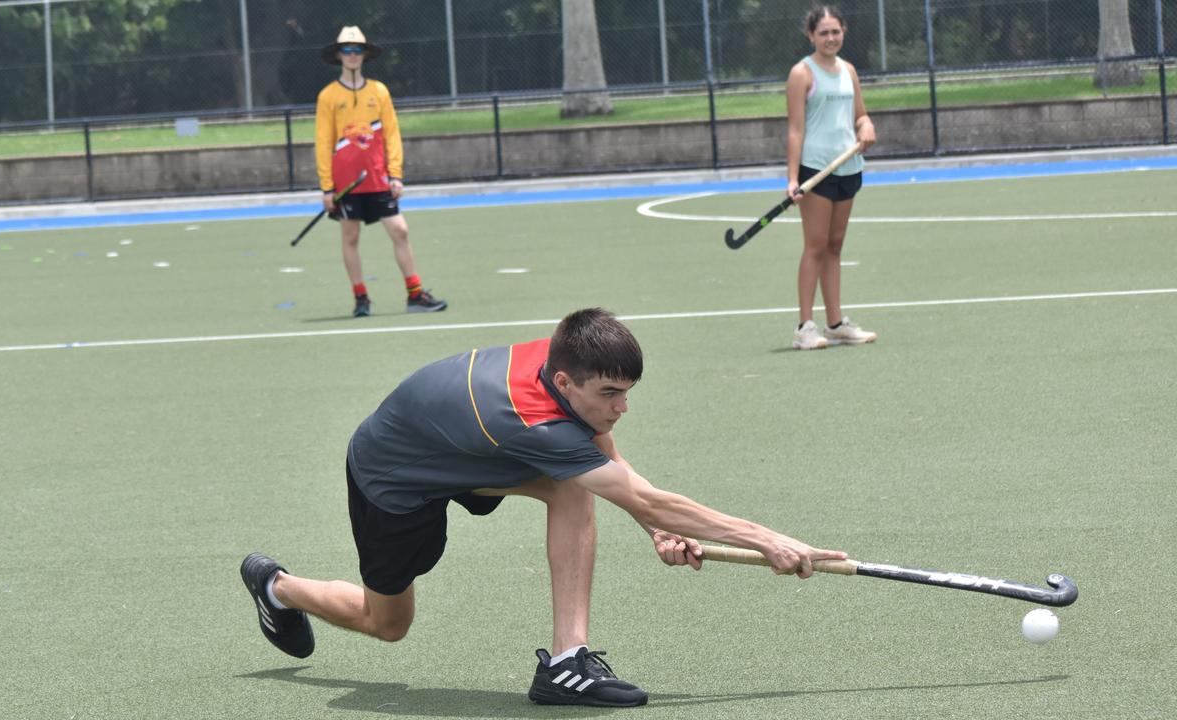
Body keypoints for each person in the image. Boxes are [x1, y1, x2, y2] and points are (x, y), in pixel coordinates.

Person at [240, 307, 847, 708]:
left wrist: (655, 530)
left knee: (572, 483)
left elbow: (601, 450)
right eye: (610, 394)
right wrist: (767, 539)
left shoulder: (562, 358)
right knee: (387, 623)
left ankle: (565, 664)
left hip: (465, 449)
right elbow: (638, 490)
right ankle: (280, 588)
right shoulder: (532, 418)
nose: (621, 408)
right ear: (565, 383)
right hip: (396, 477)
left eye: (627, 393)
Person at [315, 26, 447, 317]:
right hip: (345, 184)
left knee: (400, 230)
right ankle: (361, 299)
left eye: (357, 50)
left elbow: (392, 136)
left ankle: (415, 295)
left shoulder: (379, 91)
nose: (352, 55)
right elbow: (323, 142)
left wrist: (395, 174)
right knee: (350, 238)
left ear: (364, 54)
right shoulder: (327, 96)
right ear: (339, 55)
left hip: (378, 178)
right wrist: (327, 187)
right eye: (347, 50)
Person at [785, 6, 878, 350]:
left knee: (835, 247)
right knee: (815, 246)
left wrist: (866, 124)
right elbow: (795, 129)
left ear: (844, 31)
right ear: (811, 35)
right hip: (816, 169)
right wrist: (793, 178)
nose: (830, 38)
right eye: (823, 33)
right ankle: (805, 327)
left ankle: (836, 323)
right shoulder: (802, 73)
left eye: (835, 31)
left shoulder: (848, 71)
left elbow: (860, 115)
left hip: (848, 167)